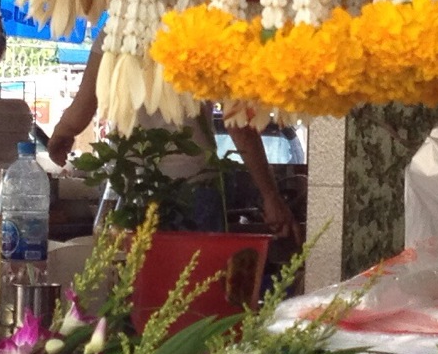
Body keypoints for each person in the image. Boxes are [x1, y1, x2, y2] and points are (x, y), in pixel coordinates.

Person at [48, 31, 304, 245]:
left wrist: (62, 134)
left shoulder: (114, 33)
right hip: (194, 187)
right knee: (197, 288)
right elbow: (238, 125)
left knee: (134, 291)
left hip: (131, 189)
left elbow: (81, 109)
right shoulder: (204, 31)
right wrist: (270, 195)